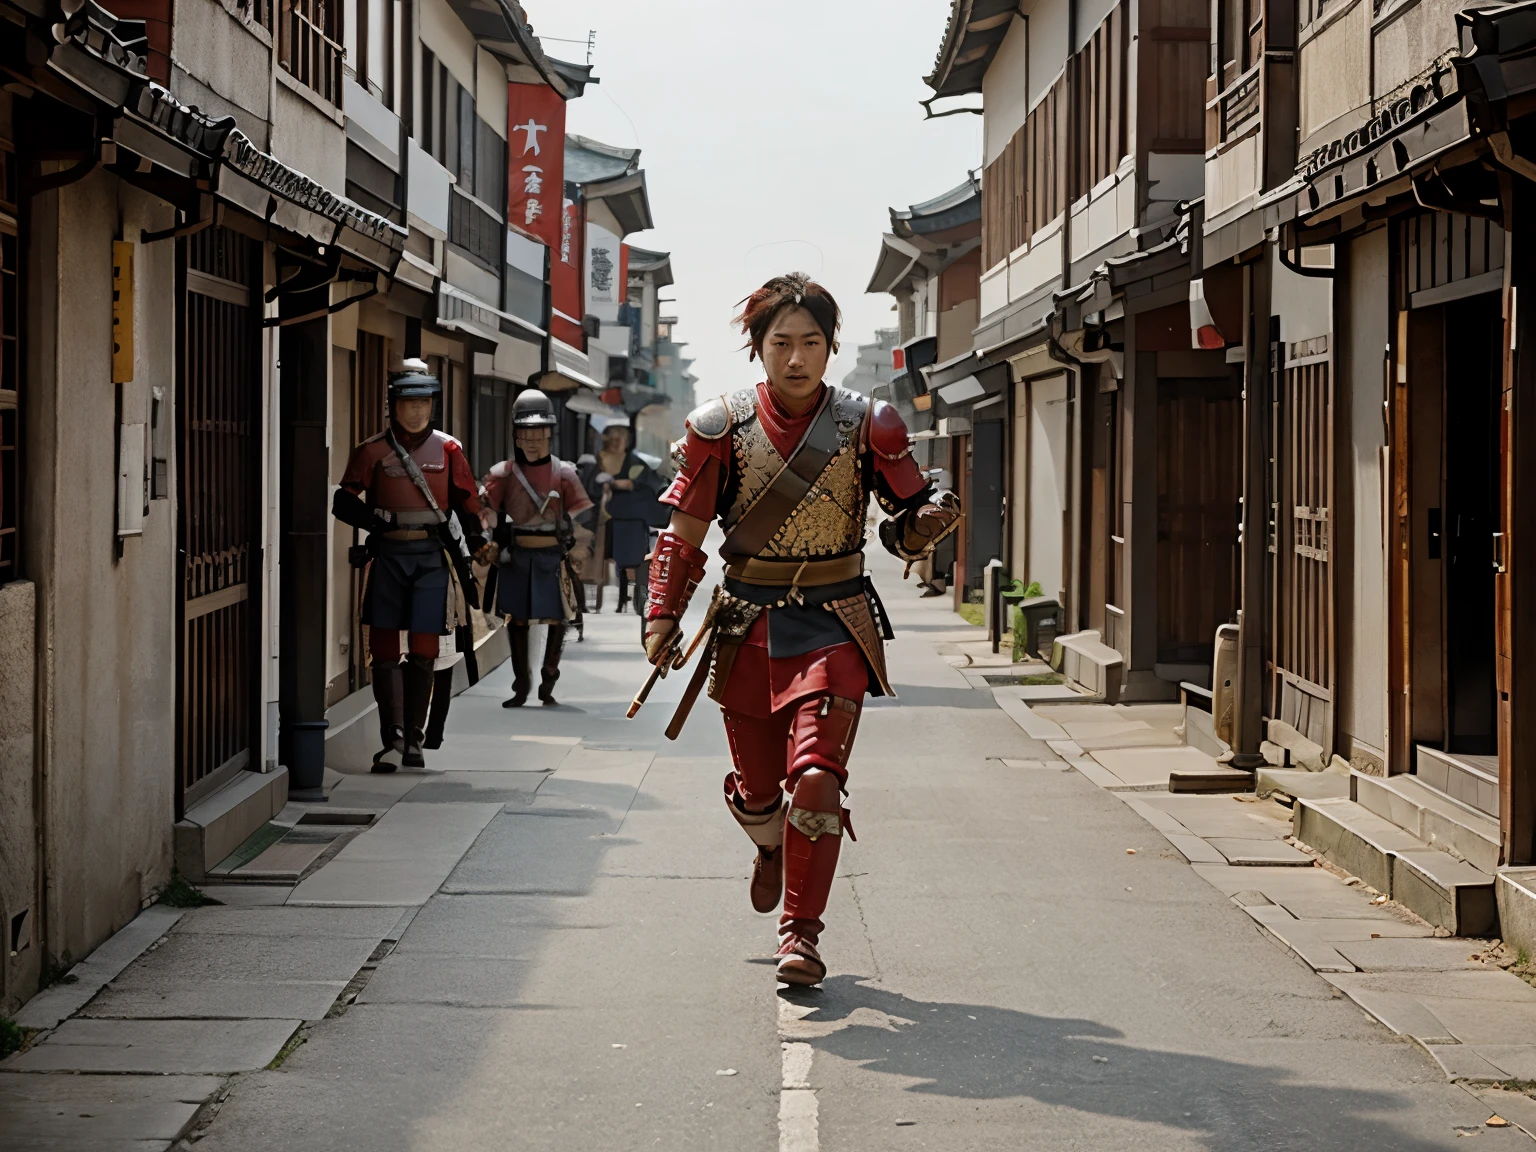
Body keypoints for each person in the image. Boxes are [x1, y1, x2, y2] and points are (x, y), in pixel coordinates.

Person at [641, 273, 961, 986]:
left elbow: (906, 525)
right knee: (760, 792)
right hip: (745, 627)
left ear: (831, 346)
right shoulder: (717, 428)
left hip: (833, 623)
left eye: (810, 343)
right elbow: (685, 529)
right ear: (756, 347)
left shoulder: (868, 425)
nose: (795, 358)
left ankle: (802, 935)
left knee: (816, 779)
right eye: (780, 342)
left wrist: (930, 520)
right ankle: (767, 843)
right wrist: (662, 612)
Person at [333, 362, 492, 772]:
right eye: (409, 403)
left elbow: (466, 504)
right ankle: (392, 739)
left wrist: (478, 545)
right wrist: (375, 521)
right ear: (393, 406)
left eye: (424, 403)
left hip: (430, 558)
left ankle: (415, 741)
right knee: (384, 648)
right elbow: (343, 502)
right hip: (387, 556)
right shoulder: (371, 450)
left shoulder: (449, 449)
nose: (417, 411)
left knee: (424, 649)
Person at [482, 388, 594, 707]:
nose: (533, 439)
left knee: (558, 618)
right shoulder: (501, 474)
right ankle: (521, 682)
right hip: (516, 555)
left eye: (540, 431)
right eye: (526, 433)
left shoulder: (565, 473)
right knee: (516, 620)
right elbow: (485, 513)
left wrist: (578, 553)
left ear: (550, 433)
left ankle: (549, 675)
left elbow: (582, 520)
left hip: (553, 556)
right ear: (516, 435)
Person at [579, 422, 666, 614]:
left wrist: (626, 484)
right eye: (613, 437)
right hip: (601, 519)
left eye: (621, 437)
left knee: (634, 558)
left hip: (630, 518)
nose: (617, 441)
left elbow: (644, 483)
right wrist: (603, 486)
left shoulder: (634, 461)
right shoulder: (596, 461)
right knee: (594, 558)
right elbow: (589, 486)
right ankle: (591, 600)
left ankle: (637, 596)